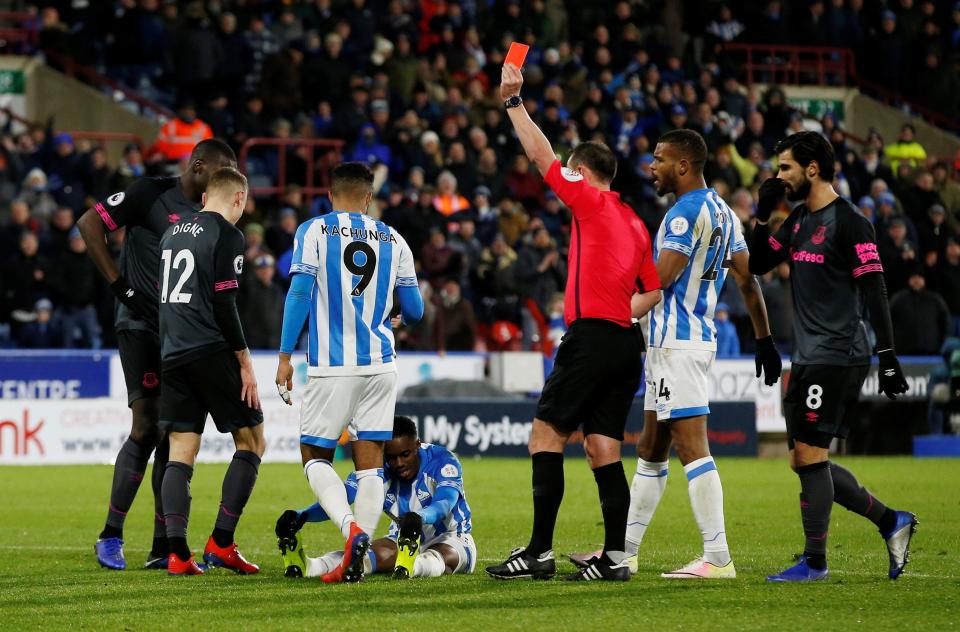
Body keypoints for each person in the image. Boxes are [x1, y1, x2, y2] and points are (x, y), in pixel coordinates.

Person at [485, 62, 662, 583]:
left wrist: (514, 103)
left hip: (589, 339)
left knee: (545, 435)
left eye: (571, 169)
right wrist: (615, 309)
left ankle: (539, 552)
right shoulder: (635, 221)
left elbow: (541, 157)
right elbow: (652, 289)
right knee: (603, 446)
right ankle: (615, 557)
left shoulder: (587, 199)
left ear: (582, 172)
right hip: (626, 345)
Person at [579, 129, 781, 580]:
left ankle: (718, 556)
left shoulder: (682, 214)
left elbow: (659, 278)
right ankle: (623, 551)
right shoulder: (726, 214)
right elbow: (749, 281)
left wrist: (603, 304)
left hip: (675, 342)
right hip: (685, 341)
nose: (651, 167)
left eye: (659, 159)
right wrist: (764, 339)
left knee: (692, 446)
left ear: (684, 165)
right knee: (651, 448)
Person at [747, 131, 916, 582]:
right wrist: (762, 216)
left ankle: (816, 561)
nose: (779, 176)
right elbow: (758, 264)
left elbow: (875, 288)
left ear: (812, 168)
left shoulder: (851, 222)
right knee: (804, 459)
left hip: (841, 353)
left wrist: (888, 354)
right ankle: (891, 521)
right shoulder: (799, 219)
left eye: (785, 167)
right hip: (808, 354)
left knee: (809, 453)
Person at [77, 138, 237, 571]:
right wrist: (122, 288)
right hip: (138, 326)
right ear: (198, 165)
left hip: (180, 334)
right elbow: (89, 224)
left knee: (175, 432)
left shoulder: (208, 214)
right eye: (217, 177)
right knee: (147, 425)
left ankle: (164, 544)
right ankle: (110, 535)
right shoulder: (148, 192)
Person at [275, 161, 424, 584]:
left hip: (333, 367)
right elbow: (414, 311)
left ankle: (351, 532)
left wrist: (286, 356)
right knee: (370, 462)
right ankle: (355, 558)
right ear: (369, 197)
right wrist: (392, 317)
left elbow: (300, 292)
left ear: (330, 194)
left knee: (314, 455)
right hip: (381, 365)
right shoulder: (394, 238)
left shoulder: (314, 231)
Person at [157, 167, 264, 576]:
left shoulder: (172, 232)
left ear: (205, 197)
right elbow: (224, 304)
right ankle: (221, 543)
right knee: (252, 441)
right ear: (238, 199)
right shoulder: (228, 235)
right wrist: (244, 361)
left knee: (181, 450)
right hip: (210, 348)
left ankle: (178, 554)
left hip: (173, 353)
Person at [275, 416, 475, 580]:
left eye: (405, 454)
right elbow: (342, 498)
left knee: (443, 556)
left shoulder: (443, 461)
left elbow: (445, 502)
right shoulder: (376, 469)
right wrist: (302, 516)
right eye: (391, 457)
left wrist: (419, 517)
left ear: (417, 445)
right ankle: (310, 566)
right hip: (401, 537)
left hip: (453, 536)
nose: (398, 463)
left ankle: (411, 566)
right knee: (363, 556)